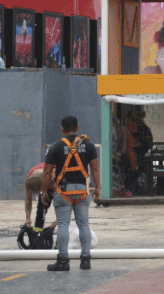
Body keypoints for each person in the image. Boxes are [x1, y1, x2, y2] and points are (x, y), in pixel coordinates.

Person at [41, 116, 100, 271]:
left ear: (62, 130)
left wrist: (43, 191)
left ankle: (63, 261)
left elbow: (46, 172)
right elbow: (95, 169)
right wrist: (98, 188)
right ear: (77, 128)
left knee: (63, 225)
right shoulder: (88, 145)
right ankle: (85, 260)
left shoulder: (55, 147)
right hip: (82, 191)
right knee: (83, 224)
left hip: (63, 191)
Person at [24, 163, 57, 230]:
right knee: (41, 208)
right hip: (46, 181)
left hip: (57, 183)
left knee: (60, 203)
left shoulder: (54, 175)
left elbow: (67, 203)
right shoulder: (28, 180)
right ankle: (38, 231)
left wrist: (58, 221)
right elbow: (28, 200)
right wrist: (28, 218)